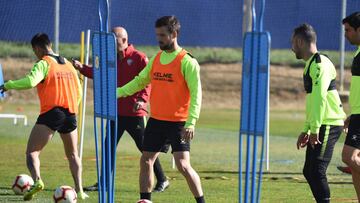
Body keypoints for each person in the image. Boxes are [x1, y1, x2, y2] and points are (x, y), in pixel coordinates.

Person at [117, 16, 205, 203]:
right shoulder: (157, 58)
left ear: (174, 34)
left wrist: (191, 123)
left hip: (179, 123)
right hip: (156, 121)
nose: (159, 39)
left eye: (163, 35)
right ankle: (145, 200)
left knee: (183, 165)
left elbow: (196, 95)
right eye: (157, 34)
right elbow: (140, 81)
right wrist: (118, 92)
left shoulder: (187, 61)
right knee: (146, 160)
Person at [72, 26, 169, 192]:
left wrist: (142, 100)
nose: (109, 41)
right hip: (114, 112)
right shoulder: (110, 58)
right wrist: (81, 67)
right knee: (108, 147)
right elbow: (98, 73)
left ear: (123, 40)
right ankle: (103, 183)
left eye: (113, 38)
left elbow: (148, 82)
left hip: (134, 113)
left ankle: (163, 179)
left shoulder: (139, 57)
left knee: (146, 149)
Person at [0, 33, 88, 200]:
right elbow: (79, 92)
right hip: (70, 113)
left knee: (32, 152)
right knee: (73, 154)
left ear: (38, 48)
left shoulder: (43, 63)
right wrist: (72, 108)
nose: (35, 54)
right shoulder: (68, 64)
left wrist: (8, 85)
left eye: (35, 51)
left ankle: (37, 181)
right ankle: (80, 191)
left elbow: (31, 82)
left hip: (52, 113)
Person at [292, 24, 346, 203]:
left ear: (300, 41)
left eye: (293, 43)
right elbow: (313, 101)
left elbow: (320, 98)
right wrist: (307, 129)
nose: (292, 47)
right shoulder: (310, 64)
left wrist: (313, 129)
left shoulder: (320, 64)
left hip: (328, 123)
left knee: (317, 170)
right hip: (320, 124)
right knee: (309, 171)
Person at [341, 11, 360, 200]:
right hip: (358, 114)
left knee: (349, 157)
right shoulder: (358, 51)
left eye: (348, 30)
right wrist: (352, 115)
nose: (345, 34)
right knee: (356, 170)